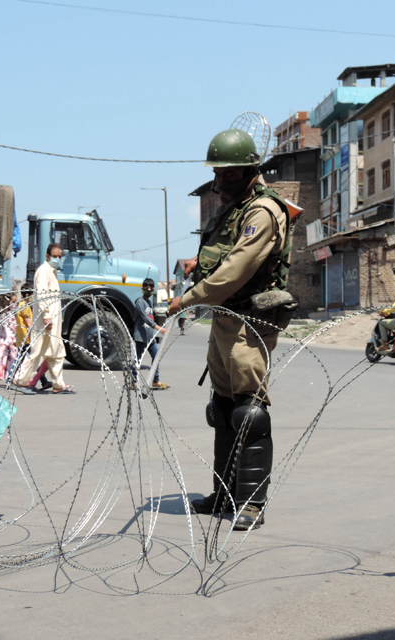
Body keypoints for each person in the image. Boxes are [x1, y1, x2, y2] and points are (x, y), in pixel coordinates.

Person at [168, 128, 292, 531]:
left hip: (248, 322)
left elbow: (237, 269)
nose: (220, 181)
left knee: (249, 411)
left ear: (249, 170)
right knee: (222, 410)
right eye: (217, 173)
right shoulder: (232, 208)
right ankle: (224, 492)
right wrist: (197, 265)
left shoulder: (263, 211)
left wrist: (188, 299)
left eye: (229, 173)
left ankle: (251, 502)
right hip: (223, 319)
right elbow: (222, 255)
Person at [17, 243, 75, 395]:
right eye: (55, 256)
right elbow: (42, 295)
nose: (57, 259)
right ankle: (21, 381)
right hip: (46, 320)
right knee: (37, 351)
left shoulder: (52, 271)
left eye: (60, 257)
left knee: (57, 352)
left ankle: (58, 385)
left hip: (53, 321)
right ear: (47, 256)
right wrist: (47, 316)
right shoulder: (43, 271)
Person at [9, 283, 51, 391]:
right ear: (27, 294)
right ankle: (10, 380)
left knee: (29, 359)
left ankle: (44, 382)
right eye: (32, 294)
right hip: (26, 338)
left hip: (21, 336)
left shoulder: (20, 304)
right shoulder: (26, 307)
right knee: (31, 359)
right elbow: (29, 325)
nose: (33, 297)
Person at [132, 278, 168, 390]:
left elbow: (151, 317)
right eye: (146, 287)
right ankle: (134, 382)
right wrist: (158, 327)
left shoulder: (149, 302)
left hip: (150, 336)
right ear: (142, 288)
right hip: (140, 336)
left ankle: (155, 381)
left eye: (151, 287)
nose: (149, 289)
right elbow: (145, 318)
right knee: (138, 359)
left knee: (156, 356)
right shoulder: (140, 302)